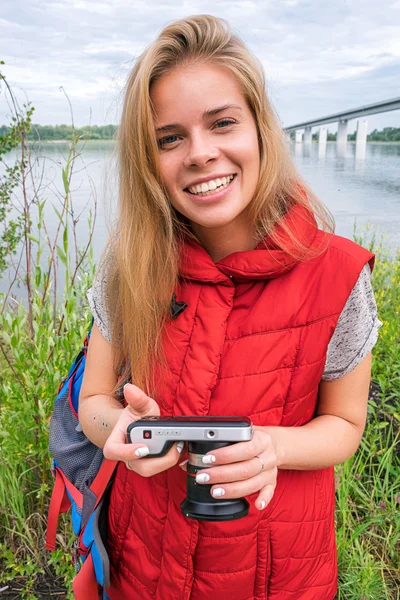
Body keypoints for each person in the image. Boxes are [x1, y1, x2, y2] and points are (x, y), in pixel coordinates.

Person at [79, 14, 381, 600]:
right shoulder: (128, 267)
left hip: (281, 573)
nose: (200, 153)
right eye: (169, 138)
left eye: (222, 123)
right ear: (147, 157)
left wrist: (275, 446)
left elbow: (345, 425)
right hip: (144, 562)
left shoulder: (337, 274)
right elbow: (92, 402)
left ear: (260, 129)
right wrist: (122, 428)